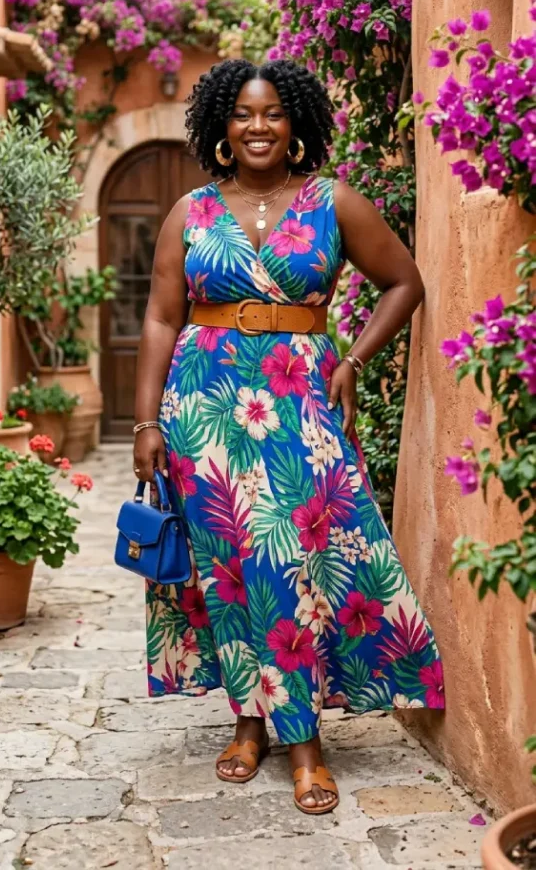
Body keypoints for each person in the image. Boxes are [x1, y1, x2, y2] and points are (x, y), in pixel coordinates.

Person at [133, 58, 444, 815]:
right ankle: (249, 723)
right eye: (243, 113)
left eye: (273, 112)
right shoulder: (191, 211)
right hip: (203, 409)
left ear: (297, 124)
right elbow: (161, 318)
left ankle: (304, 741)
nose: (259, 125)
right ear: (221, 129)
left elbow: (404, 281)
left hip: (299, 401)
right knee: (229, 567)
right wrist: (146, 421)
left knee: (295, 559)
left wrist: (356, 360)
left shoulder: (333, 203)